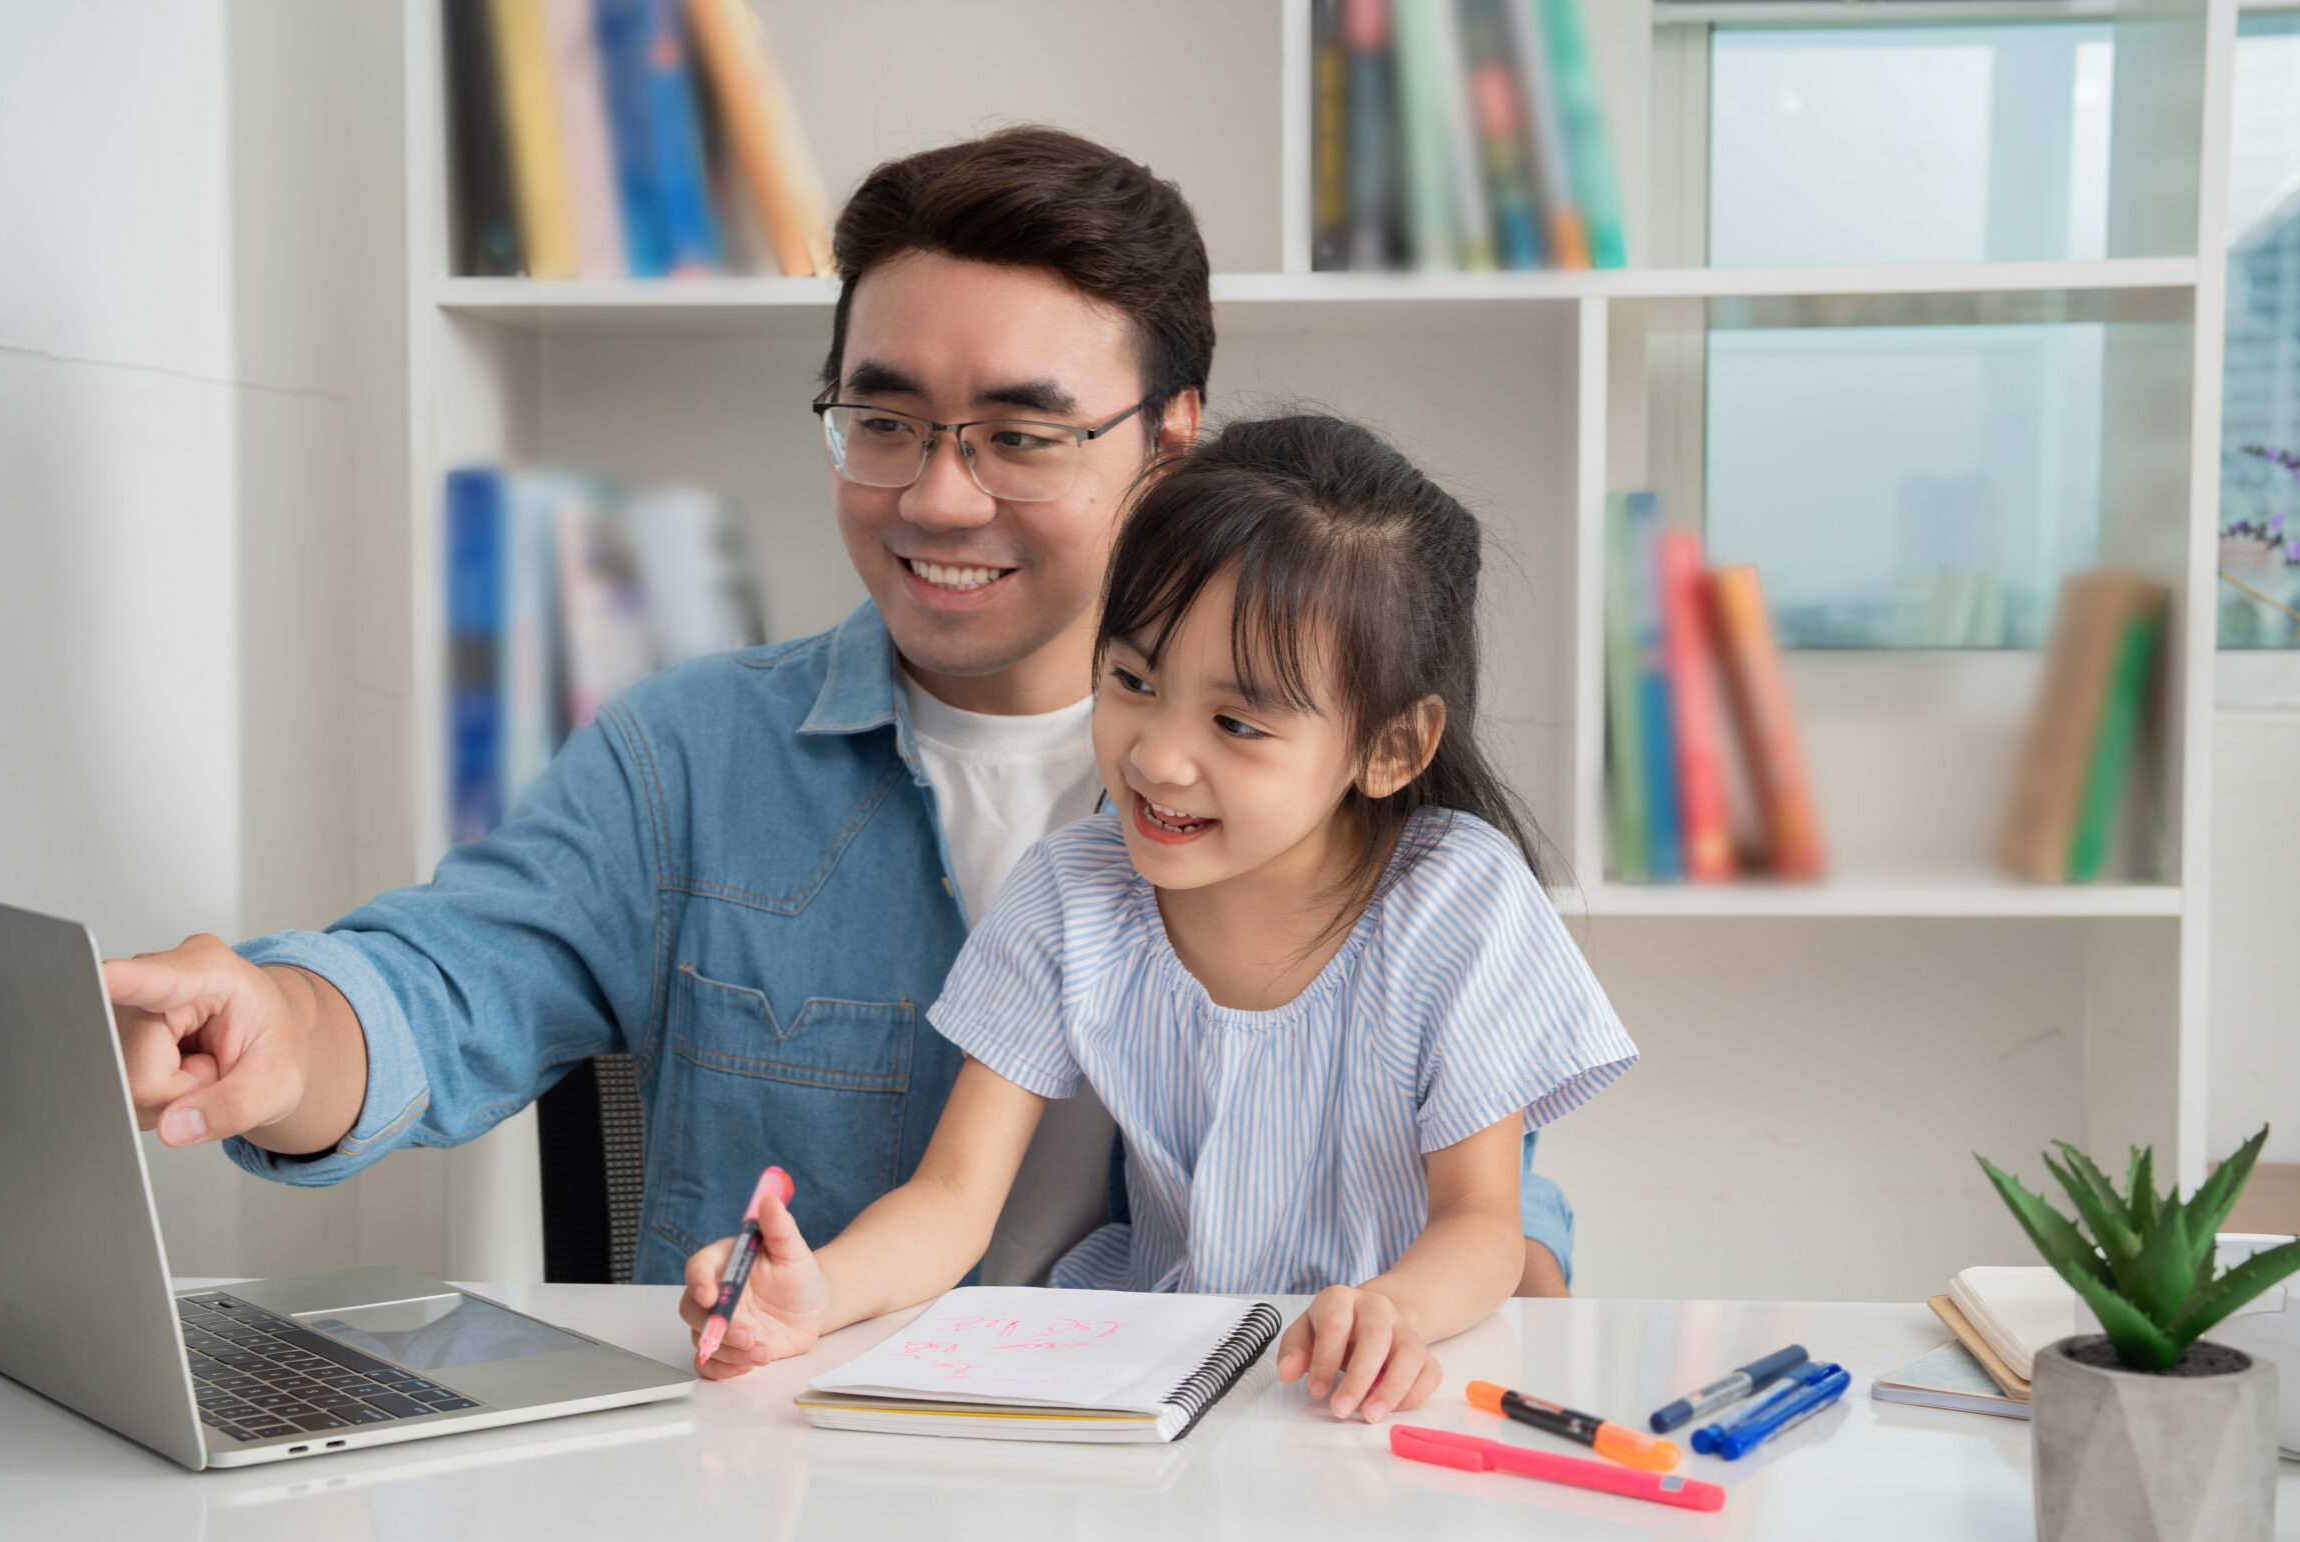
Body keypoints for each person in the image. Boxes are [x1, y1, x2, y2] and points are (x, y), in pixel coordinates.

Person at [100, 125, 1579, 1295]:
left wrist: (1447, 1292)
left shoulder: (1335, 807)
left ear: (1169, 442)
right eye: (884, 422)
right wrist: (282, 1033)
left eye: (1020, 432)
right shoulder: (685, 758)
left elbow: (1487, 1206)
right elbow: (442, 982)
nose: (938, 494)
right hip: (799, 1501)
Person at [678, 414, 1634, 1421]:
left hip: (1381, 1387)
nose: (1156, 757)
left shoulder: (1458, 902)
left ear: (1390, 749)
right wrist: (815, 1296)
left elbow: (1484, 1222)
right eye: (1132, 680)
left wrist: (1391, 1310)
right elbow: (951, 1202)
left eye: (1236, 722)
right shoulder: (1071, 893)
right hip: (1157, 1376)